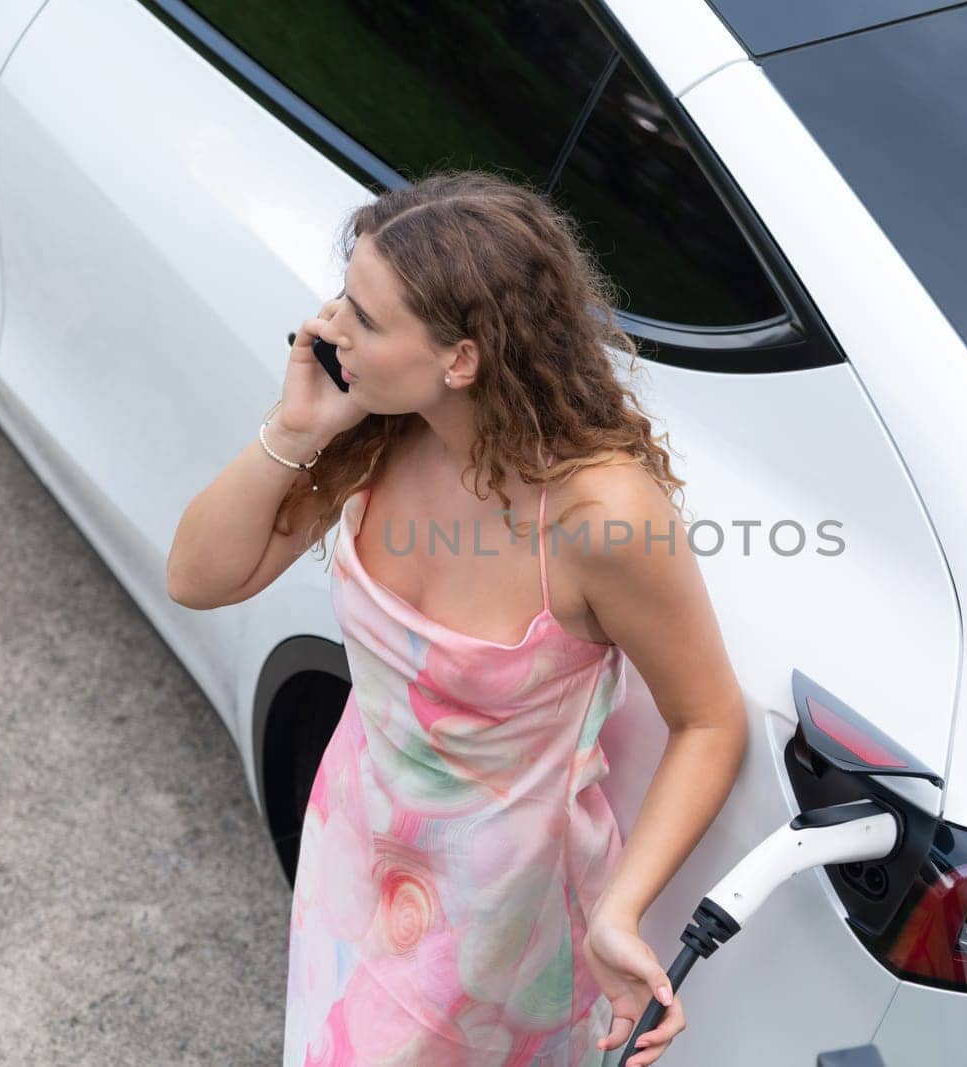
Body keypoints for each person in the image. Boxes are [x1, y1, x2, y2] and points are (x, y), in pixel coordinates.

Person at [167, 169, 747, 1066]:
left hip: (498, 924)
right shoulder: (381, 429)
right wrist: (295, 426)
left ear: (461, 359)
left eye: (364, 316)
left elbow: (709, 721)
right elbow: (199, 577)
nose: (328, 329)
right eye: (341, 298)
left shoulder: (599, 517)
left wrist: (621, 909)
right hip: (353, 847)